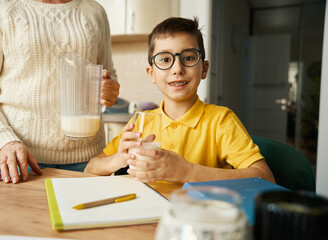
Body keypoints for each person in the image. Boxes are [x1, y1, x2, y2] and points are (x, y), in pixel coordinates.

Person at [84, 17, 276, 184]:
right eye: (165, 60)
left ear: (204, 69)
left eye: (189, 57)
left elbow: (265, 178)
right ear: (151, 73)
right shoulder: (141, 123)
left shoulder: (221, 121)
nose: (177, 68)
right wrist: (119, 158)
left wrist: (187, 172)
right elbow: (90, 169)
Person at [0, 0, 120, 183]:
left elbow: (108, 74)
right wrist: (5, 141)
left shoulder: (94, 11)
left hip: (90, 161)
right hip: (20, 158)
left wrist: (109, 90)